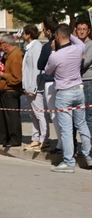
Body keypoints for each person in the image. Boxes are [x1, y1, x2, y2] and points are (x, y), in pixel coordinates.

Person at [46, 24, 92, 173]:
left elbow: (48, 70)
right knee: (82, 124)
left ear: (57, 37)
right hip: (78, 89)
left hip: (64, 92)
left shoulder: (56, 55)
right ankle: (88, 154)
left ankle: (68, 162)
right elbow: (77, 40)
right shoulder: (79, 48)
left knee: (66, 128)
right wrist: (68, 33)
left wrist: (53, 50)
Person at [0, 34, 23, 147]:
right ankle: (1, 137)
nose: (0, 47)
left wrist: (3, 75)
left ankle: (14, 139)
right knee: (1, 116)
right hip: (4, 89)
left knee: (12, 116)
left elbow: (17, 78)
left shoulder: (16, 56)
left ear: (5, 45)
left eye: (1, 44)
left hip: (11, 90)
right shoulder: (9, 55)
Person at [22, 25, 50, 152]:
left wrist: (33, 88)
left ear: (29, 34)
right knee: (33, 114)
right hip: (29, 86)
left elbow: (36, 69)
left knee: (39, 114)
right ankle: (35, 138)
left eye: (24, 33)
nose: (22, 35)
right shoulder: (29, 48)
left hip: (35, 87)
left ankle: (44, 139)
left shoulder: (36, 47)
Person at [38, 16, 62, 154]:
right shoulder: (68, 43)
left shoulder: (48, 46)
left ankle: (60, 143)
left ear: (48, 30)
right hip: (68, 81)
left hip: (51, 82)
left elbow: (40, 65)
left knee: (55, 114)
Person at [75, 19, 92, 140]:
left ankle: (89, 146)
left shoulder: (90, 45)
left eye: (84, 29)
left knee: (88, 116)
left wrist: (77, 60)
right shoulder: (74, 45)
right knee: (76, 116)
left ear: (88, 31)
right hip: (75, 82)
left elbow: (85, 63)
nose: (82, 32)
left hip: (88, 81)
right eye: (79, 29)